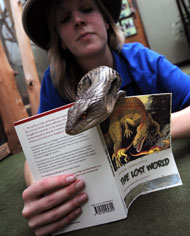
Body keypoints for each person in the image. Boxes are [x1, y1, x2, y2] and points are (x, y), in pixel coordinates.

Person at [21, 0, 190, 235]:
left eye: (87, 9)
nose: (78, 20)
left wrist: (151, 131)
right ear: (59, 38)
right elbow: (36, 153)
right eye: (64, 19)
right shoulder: (55, 81)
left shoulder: (141, 61)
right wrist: (39, 188)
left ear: (107, 23)